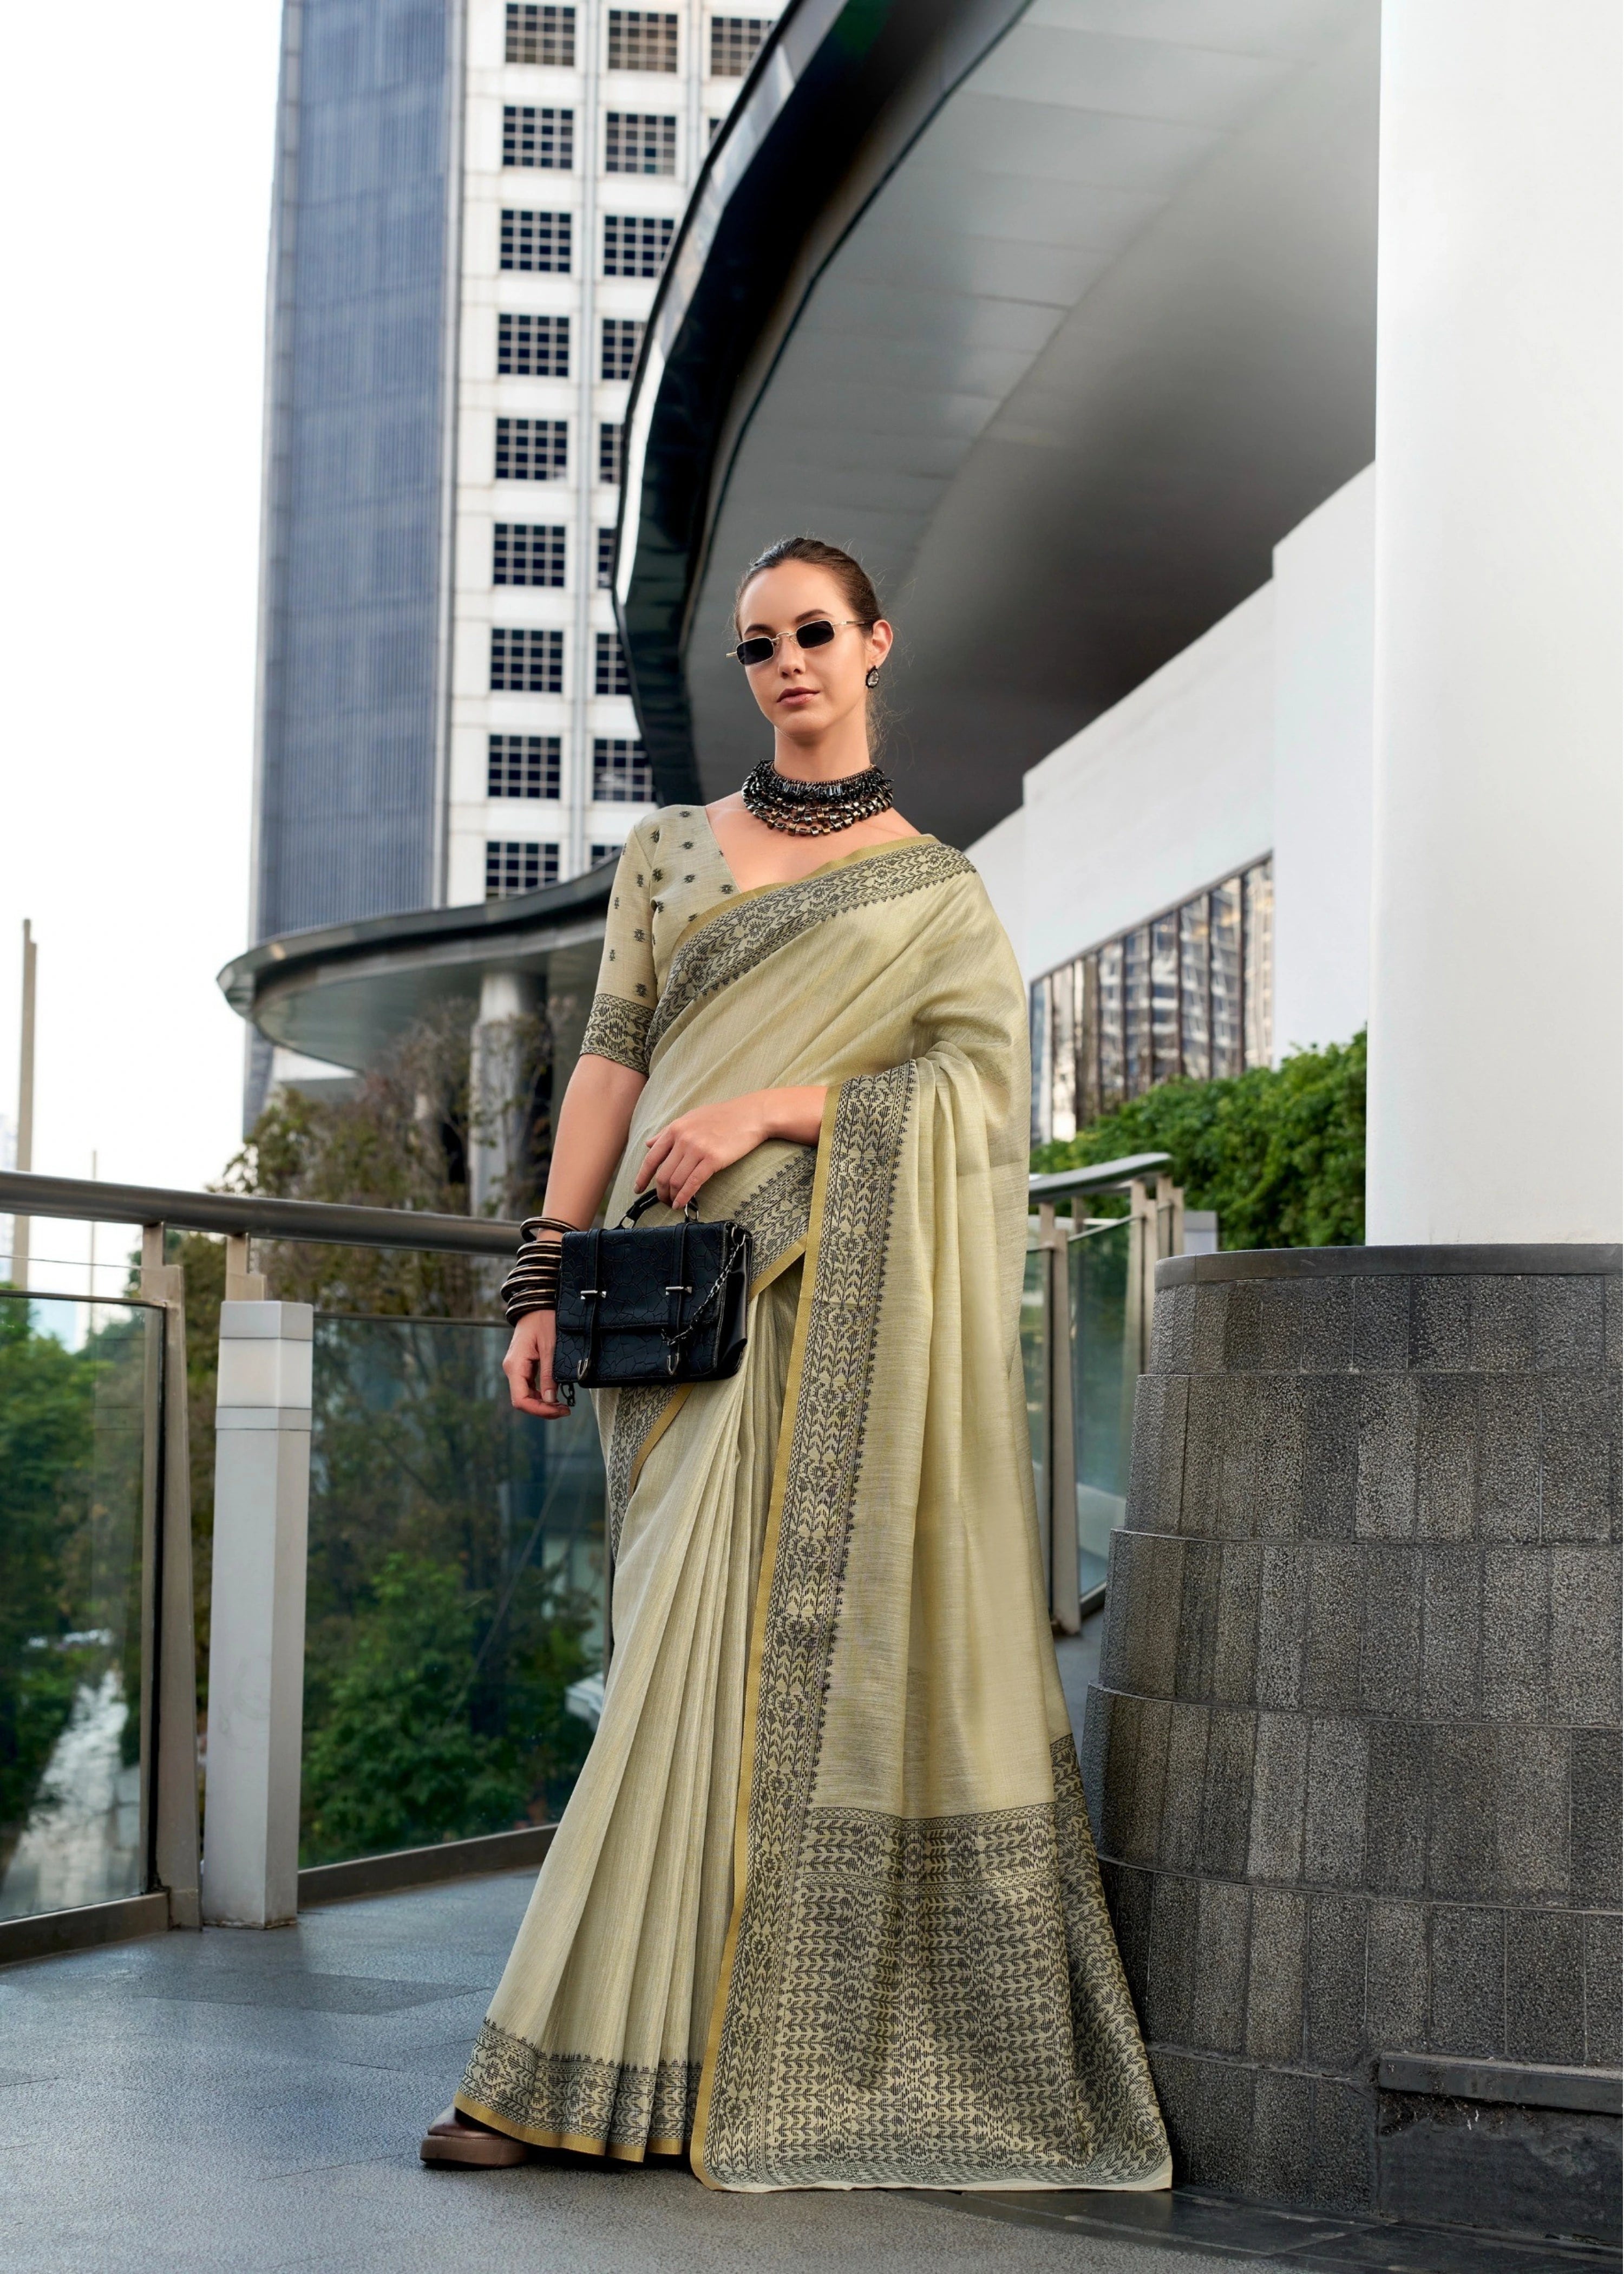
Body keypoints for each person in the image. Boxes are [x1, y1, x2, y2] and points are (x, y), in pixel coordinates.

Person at [420, 536, 1169, 2193]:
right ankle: (636, 2059)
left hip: (836, 1308)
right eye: (758, 648)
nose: (786, 667)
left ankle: (568, 2072)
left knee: (736, 1667)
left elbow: (980, 1104)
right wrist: (543, 1276)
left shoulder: (938, 894)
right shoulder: (672, 855)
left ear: (877, 644)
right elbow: (607, 1069)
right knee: (675, 1642)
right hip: (668, 1311)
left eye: (813, 634)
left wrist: (772, 1105)